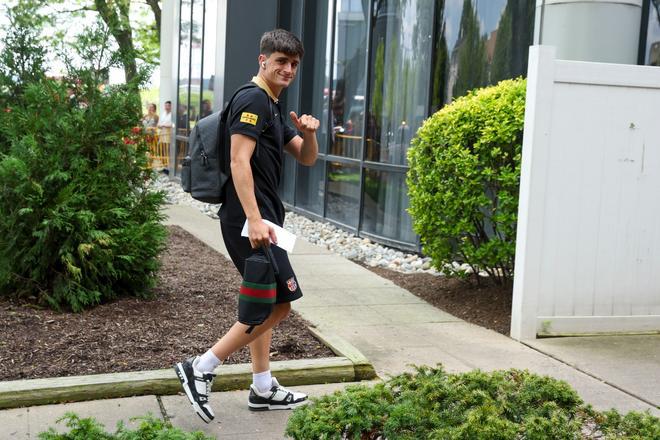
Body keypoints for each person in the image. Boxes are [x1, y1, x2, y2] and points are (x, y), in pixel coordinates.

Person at [173, 29, 319, 423]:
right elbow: (239, 161)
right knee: (281, 304)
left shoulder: (271, 105)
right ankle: (201, 367)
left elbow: (305, 159)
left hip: (265, 220)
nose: (287, 69)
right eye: (280, 62)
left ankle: (263, 387)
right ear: (263, 61)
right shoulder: (253, 99)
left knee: (264, 302)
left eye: (293, 64)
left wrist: (308, 134)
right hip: (249, 221)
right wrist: (255, 219)